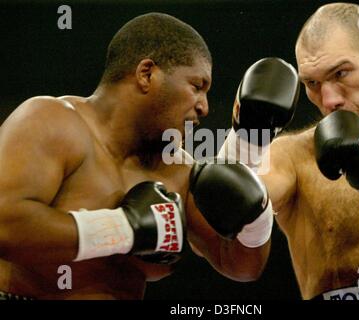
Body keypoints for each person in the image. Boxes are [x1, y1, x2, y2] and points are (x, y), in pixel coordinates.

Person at [0, 12, 275, 300]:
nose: (204, 107)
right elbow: (5, 225)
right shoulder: (53, 122)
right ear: (147, 74)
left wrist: (258, 217)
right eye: (197, 86)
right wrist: (122, 230)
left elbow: (240, 266)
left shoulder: (178, 169)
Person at [220, 2, 359, 300]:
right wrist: (244, 138)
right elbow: (222, 208)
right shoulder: (295, 157)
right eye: (312, 83)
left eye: (341, 73)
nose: (329, 100)